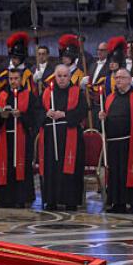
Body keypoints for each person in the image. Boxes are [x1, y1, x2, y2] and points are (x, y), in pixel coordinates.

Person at [100, 68, 133, 213]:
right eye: (116, 78)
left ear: (130, 80)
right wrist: (103, 118)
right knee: (115, 174)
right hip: (114, 143)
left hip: (132, 143)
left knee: (132, 172)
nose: (118, 80)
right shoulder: (110, 98)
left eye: (122, 77)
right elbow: (106, 122)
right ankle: (118, 203)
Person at [40, 64, 89, 211]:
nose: (61, 79)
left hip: (70, 136)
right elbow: (37, 111)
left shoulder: (77, 92)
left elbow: (82, 111)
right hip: (50, 137)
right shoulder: (47, 93)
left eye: (65, 76)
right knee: (51, 168)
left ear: (70, 77)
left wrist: (64, 115)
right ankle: (51, 200)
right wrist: (46, 114)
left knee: (70, 168)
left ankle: (70, 201)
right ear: (55, 77)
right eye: (59, 76)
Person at [0, 67, 40, 209]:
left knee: (22, 167)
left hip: (22, 139)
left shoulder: (29, 95)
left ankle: (22, 198)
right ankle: (5, 198)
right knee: (5, 168)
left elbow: (35, 118)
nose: (13, 82)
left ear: (21, 80)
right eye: (11, 79)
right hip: (5, 138)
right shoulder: (2, 95)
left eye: (16, 79)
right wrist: (1, 116)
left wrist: (21, 115)